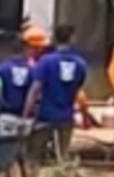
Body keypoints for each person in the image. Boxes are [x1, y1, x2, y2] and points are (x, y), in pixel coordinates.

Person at [23, 25, 89, 160]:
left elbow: (35, 90)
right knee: (62, 157)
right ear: (72, 40)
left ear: (54, 39)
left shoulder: (46, 62)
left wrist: (25, 115)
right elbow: (79, 92)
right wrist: (85, 115)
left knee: (34, 156)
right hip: (66, 117)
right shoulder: (80, 64)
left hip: (45, 117)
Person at [0, 25, 50, 134]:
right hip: (27, 117)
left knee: (7, 147)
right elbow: (37, 94)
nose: (40, 51)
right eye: (37, 48)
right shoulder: (35, 70)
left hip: (6, 116)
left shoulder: (0, 69)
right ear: (27, 48)